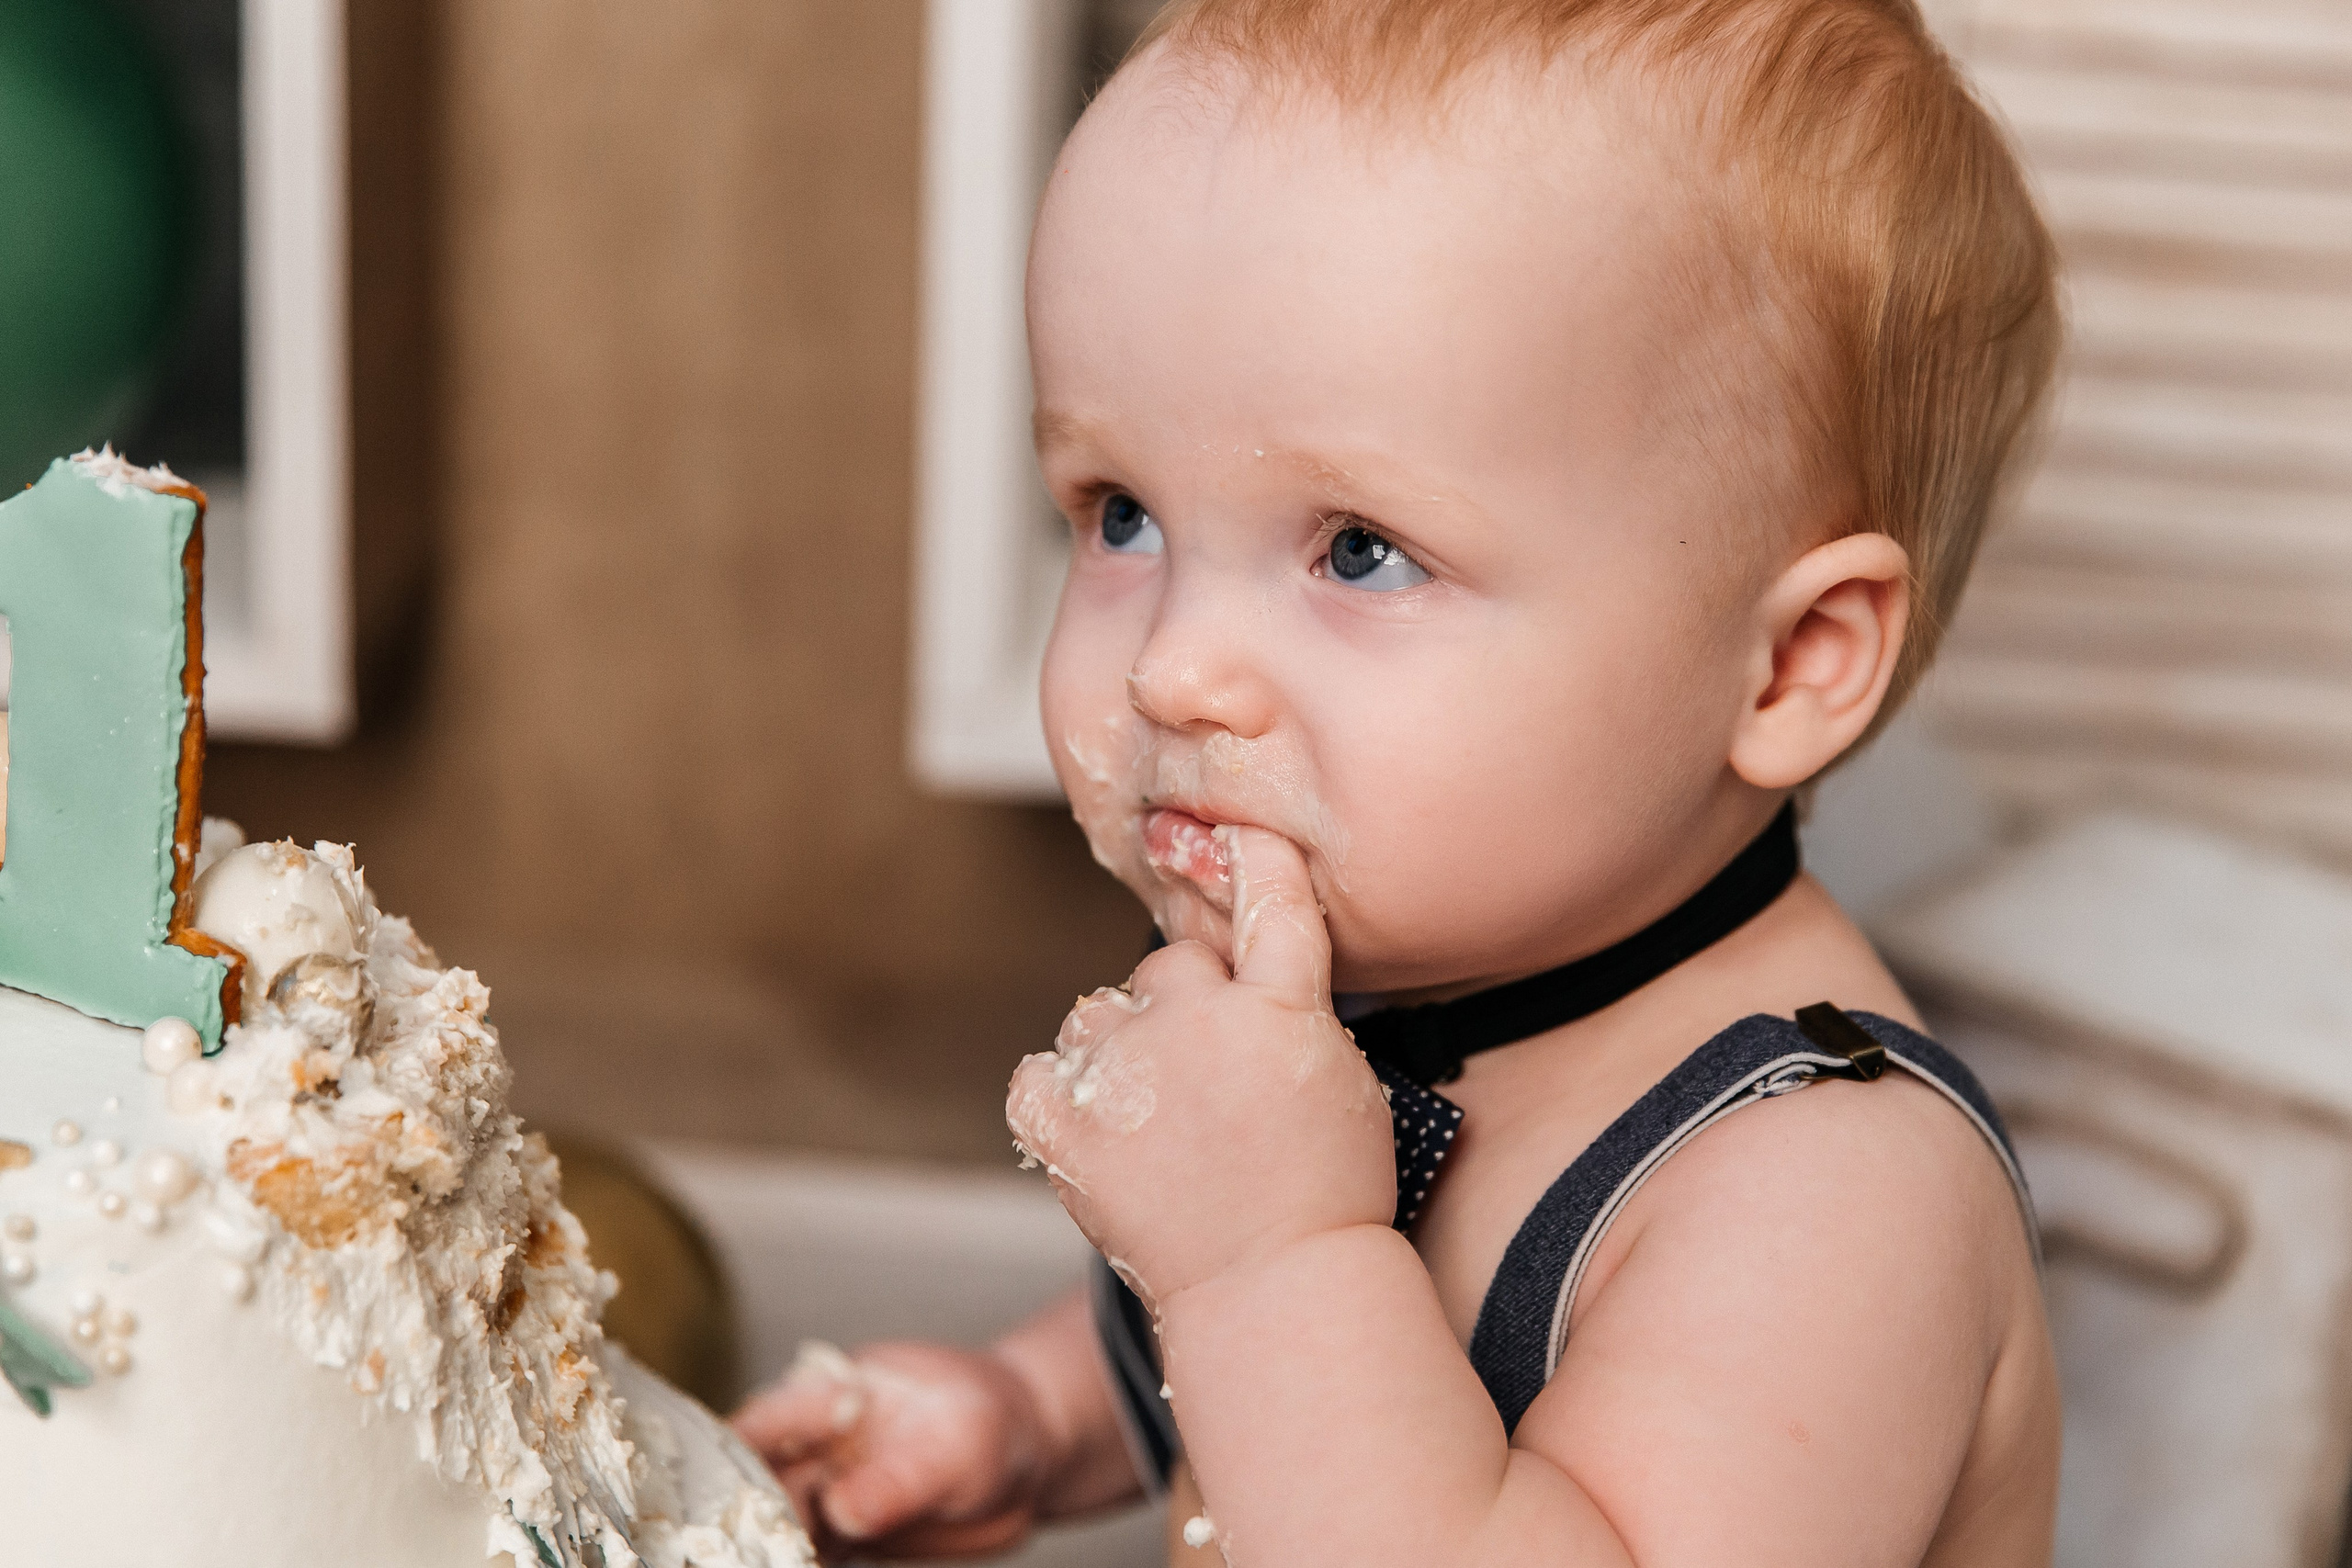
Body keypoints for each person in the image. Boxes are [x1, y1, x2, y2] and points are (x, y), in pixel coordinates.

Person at [736, 1, 2062, 1562]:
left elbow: (1301, 1329)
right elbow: (1272, 1400)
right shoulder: (1433, 972)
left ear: (1787, 666)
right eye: (1121, 514)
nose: (1172, 667)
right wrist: (1033, 1416)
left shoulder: (1827, 1197)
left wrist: (1268, 1258)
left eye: (1362, 551)